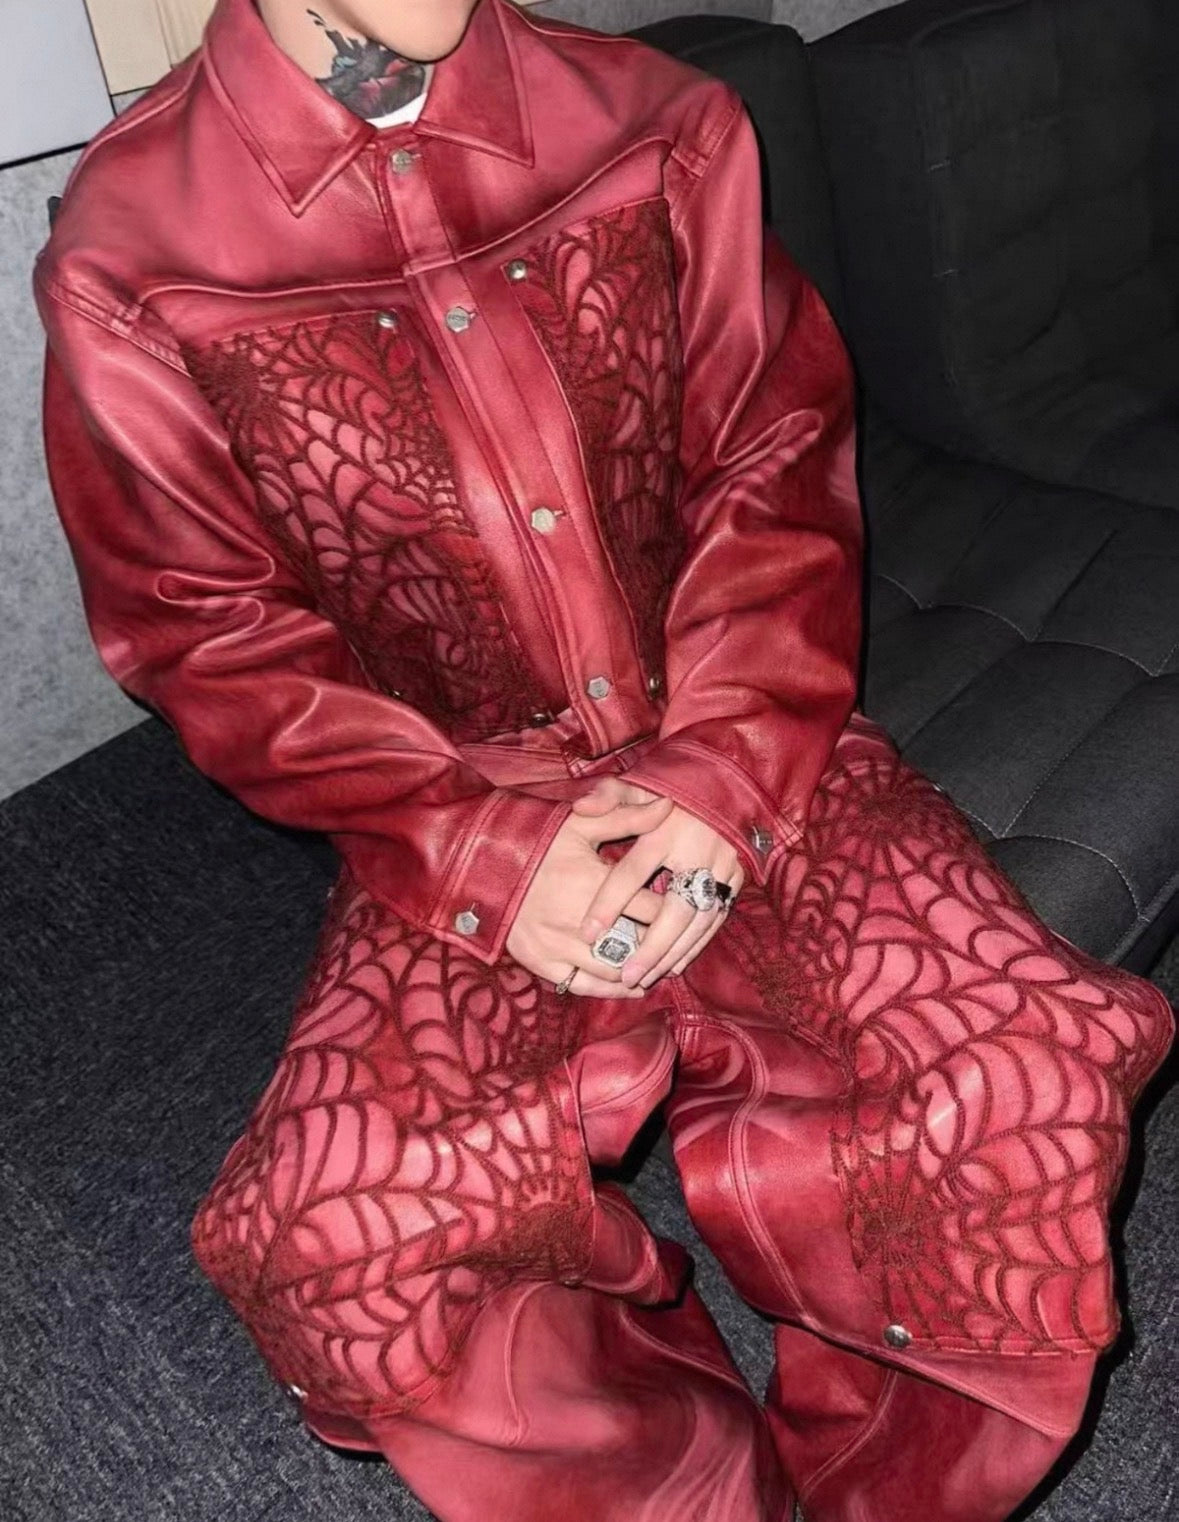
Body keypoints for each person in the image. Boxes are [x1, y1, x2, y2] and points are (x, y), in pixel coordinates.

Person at [33, 1, 1174, 1519]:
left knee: (1017, 1077)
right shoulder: (130, 250)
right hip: (447, 797)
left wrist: (716, 773)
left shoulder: (655, 120)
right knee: (340, 1239)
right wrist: (487, 853)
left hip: (744, 714)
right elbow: (209, 632)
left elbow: (772, 460)